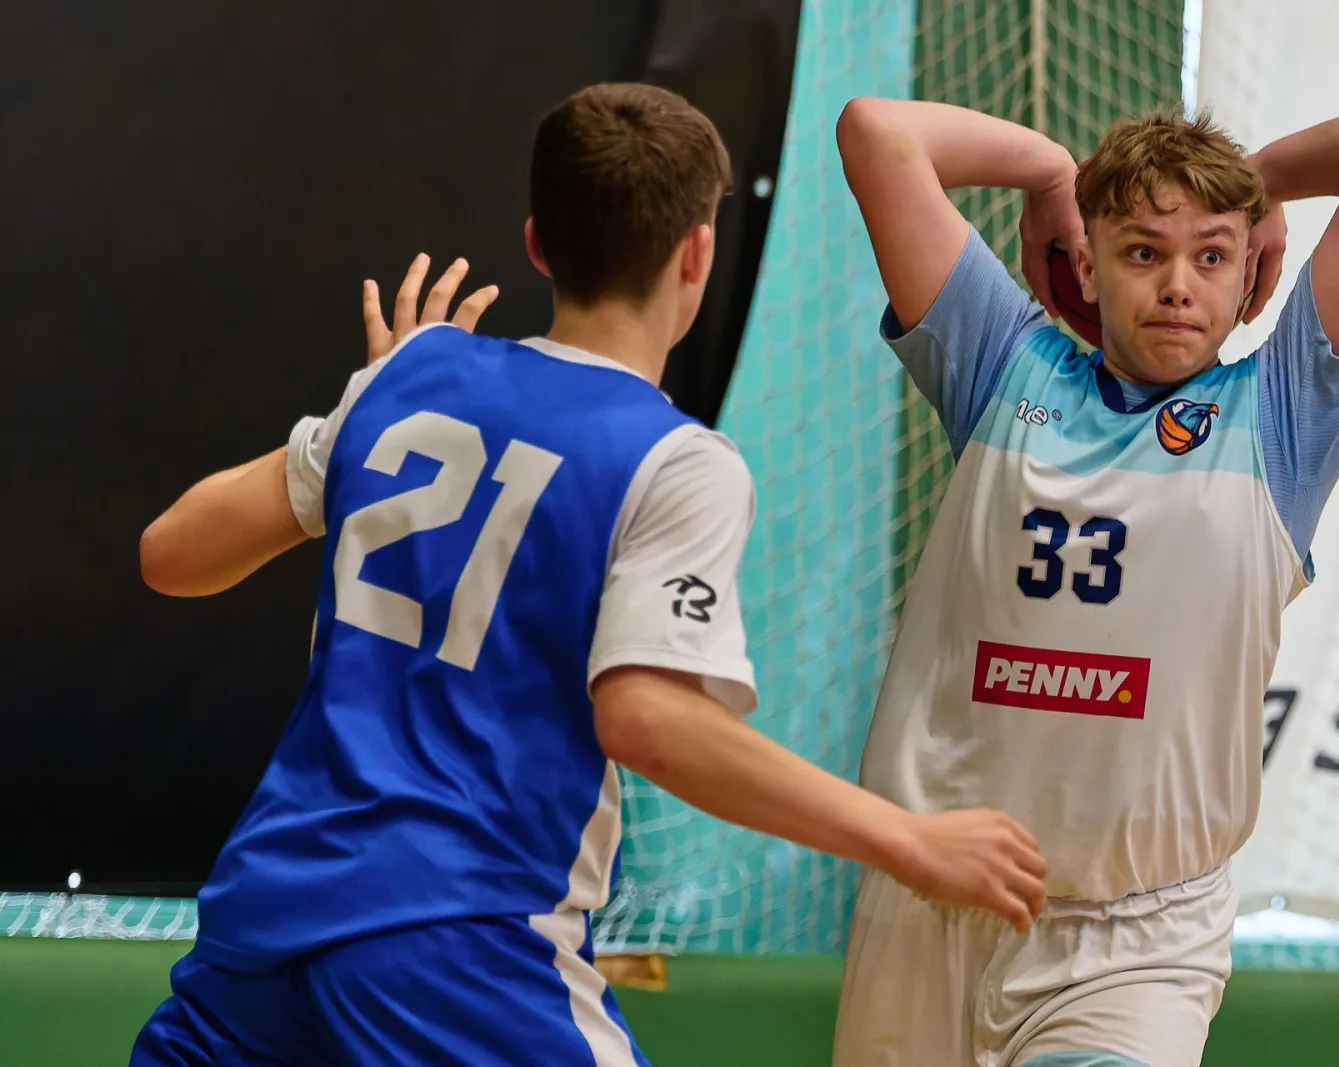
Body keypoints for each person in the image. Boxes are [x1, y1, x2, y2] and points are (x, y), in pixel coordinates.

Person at [129, 82, 1047, 1067]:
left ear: (537, 242)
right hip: (455, 942)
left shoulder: (406, 380)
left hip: (264, 919)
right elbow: (646, 717)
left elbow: (170, 555)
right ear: (697, 253)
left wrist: (366, 410)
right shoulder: (675, 460)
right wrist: (908, 837)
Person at [832, 95, 1339, 1067]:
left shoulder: (1283, 414)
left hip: (1133, 944)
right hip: (927, 900)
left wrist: (1253, 188)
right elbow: (876, 134)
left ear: (1248, 270)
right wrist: (1048, 174)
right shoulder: (999, 364)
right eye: (1143, 251)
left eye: (1211, 256)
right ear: (1086, 264)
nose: (1178, 286)